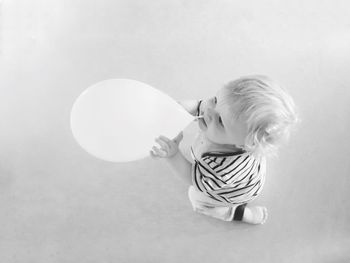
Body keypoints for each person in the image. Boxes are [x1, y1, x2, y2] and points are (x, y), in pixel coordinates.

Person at [150, 75, 297, 225]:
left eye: (220, 120)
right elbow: (197, 106)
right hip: (244, 174)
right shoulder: (223, 116)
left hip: (232, 194)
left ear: (243, 145)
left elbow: (193, 178)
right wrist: (176, 110)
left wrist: (173, 155)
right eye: (215, 99)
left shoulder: (222, 167)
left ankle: (239, 213)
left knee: (196, 197)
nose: (208, 111)